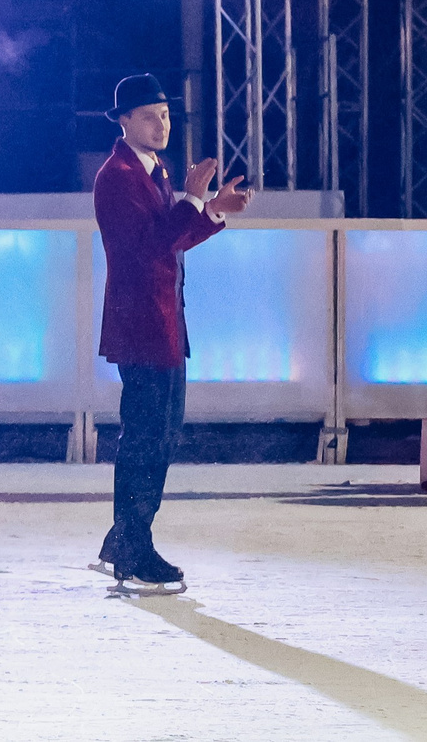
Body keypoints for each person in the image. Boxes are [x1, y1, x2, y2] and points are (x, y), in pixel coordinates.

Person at [92, 73, 250, 594]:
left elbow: (171, 241)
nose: (162, 123)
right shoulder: (117, 176)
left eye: (165, 114)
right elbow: (149, 245)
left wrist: (210, 210)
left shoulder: (150, 170)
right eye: (149, 115)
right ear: (124, 121)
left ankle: (128, 541)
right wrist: (192, 198)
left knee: (158, 435)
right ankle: (132, 548)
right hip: (142, 324)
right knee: (147, 437)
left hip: (161, 323)